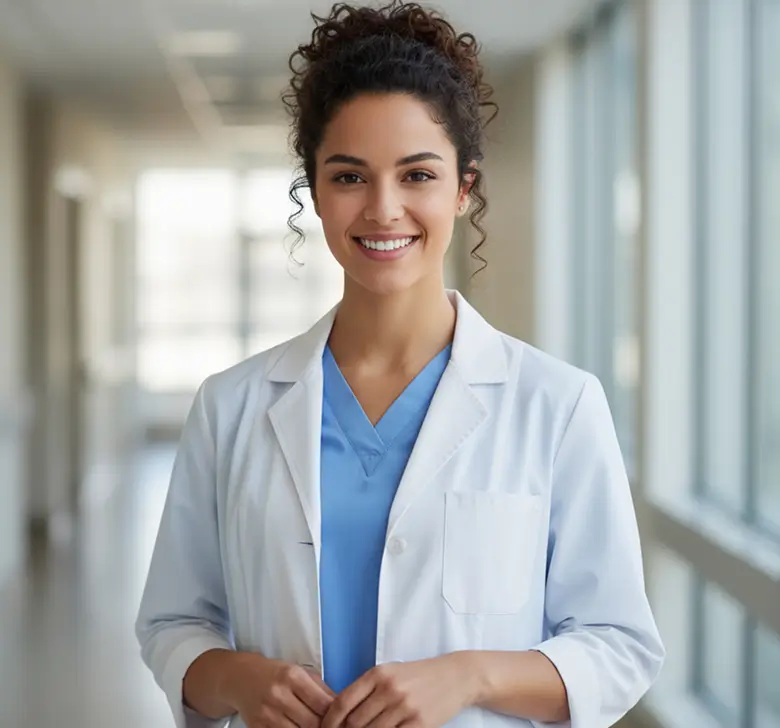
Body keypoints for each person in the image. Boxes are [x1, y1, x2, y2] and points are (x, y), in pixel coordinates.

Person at [135, 2, 665, 727]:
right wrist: (234, 678)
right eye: (350, 177)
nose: (384, 209)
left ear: (463, 188)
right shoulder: (232, 406)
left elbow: (619, 644)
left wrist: (470, 677)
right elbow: (170, 623)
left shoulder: (557, 404)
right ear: (315, 192)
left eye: (417, 175)